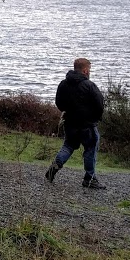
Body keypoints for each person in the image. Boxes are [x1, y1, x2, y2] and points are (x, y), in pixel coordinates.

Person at [46, 57, 106, 190]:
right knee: (90, 149)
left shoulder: (63, 84)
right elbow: (100, 104)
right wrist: (96, 118)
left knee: (68, 146)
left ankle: (53, 170)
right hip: (88, 125)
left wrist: (68, 111)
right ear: (85, 70)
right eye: (89, 69)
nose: (89, 72)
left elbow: (59, 103)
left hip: (70, 123)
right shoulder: (89, 85)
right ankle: (89, 179)